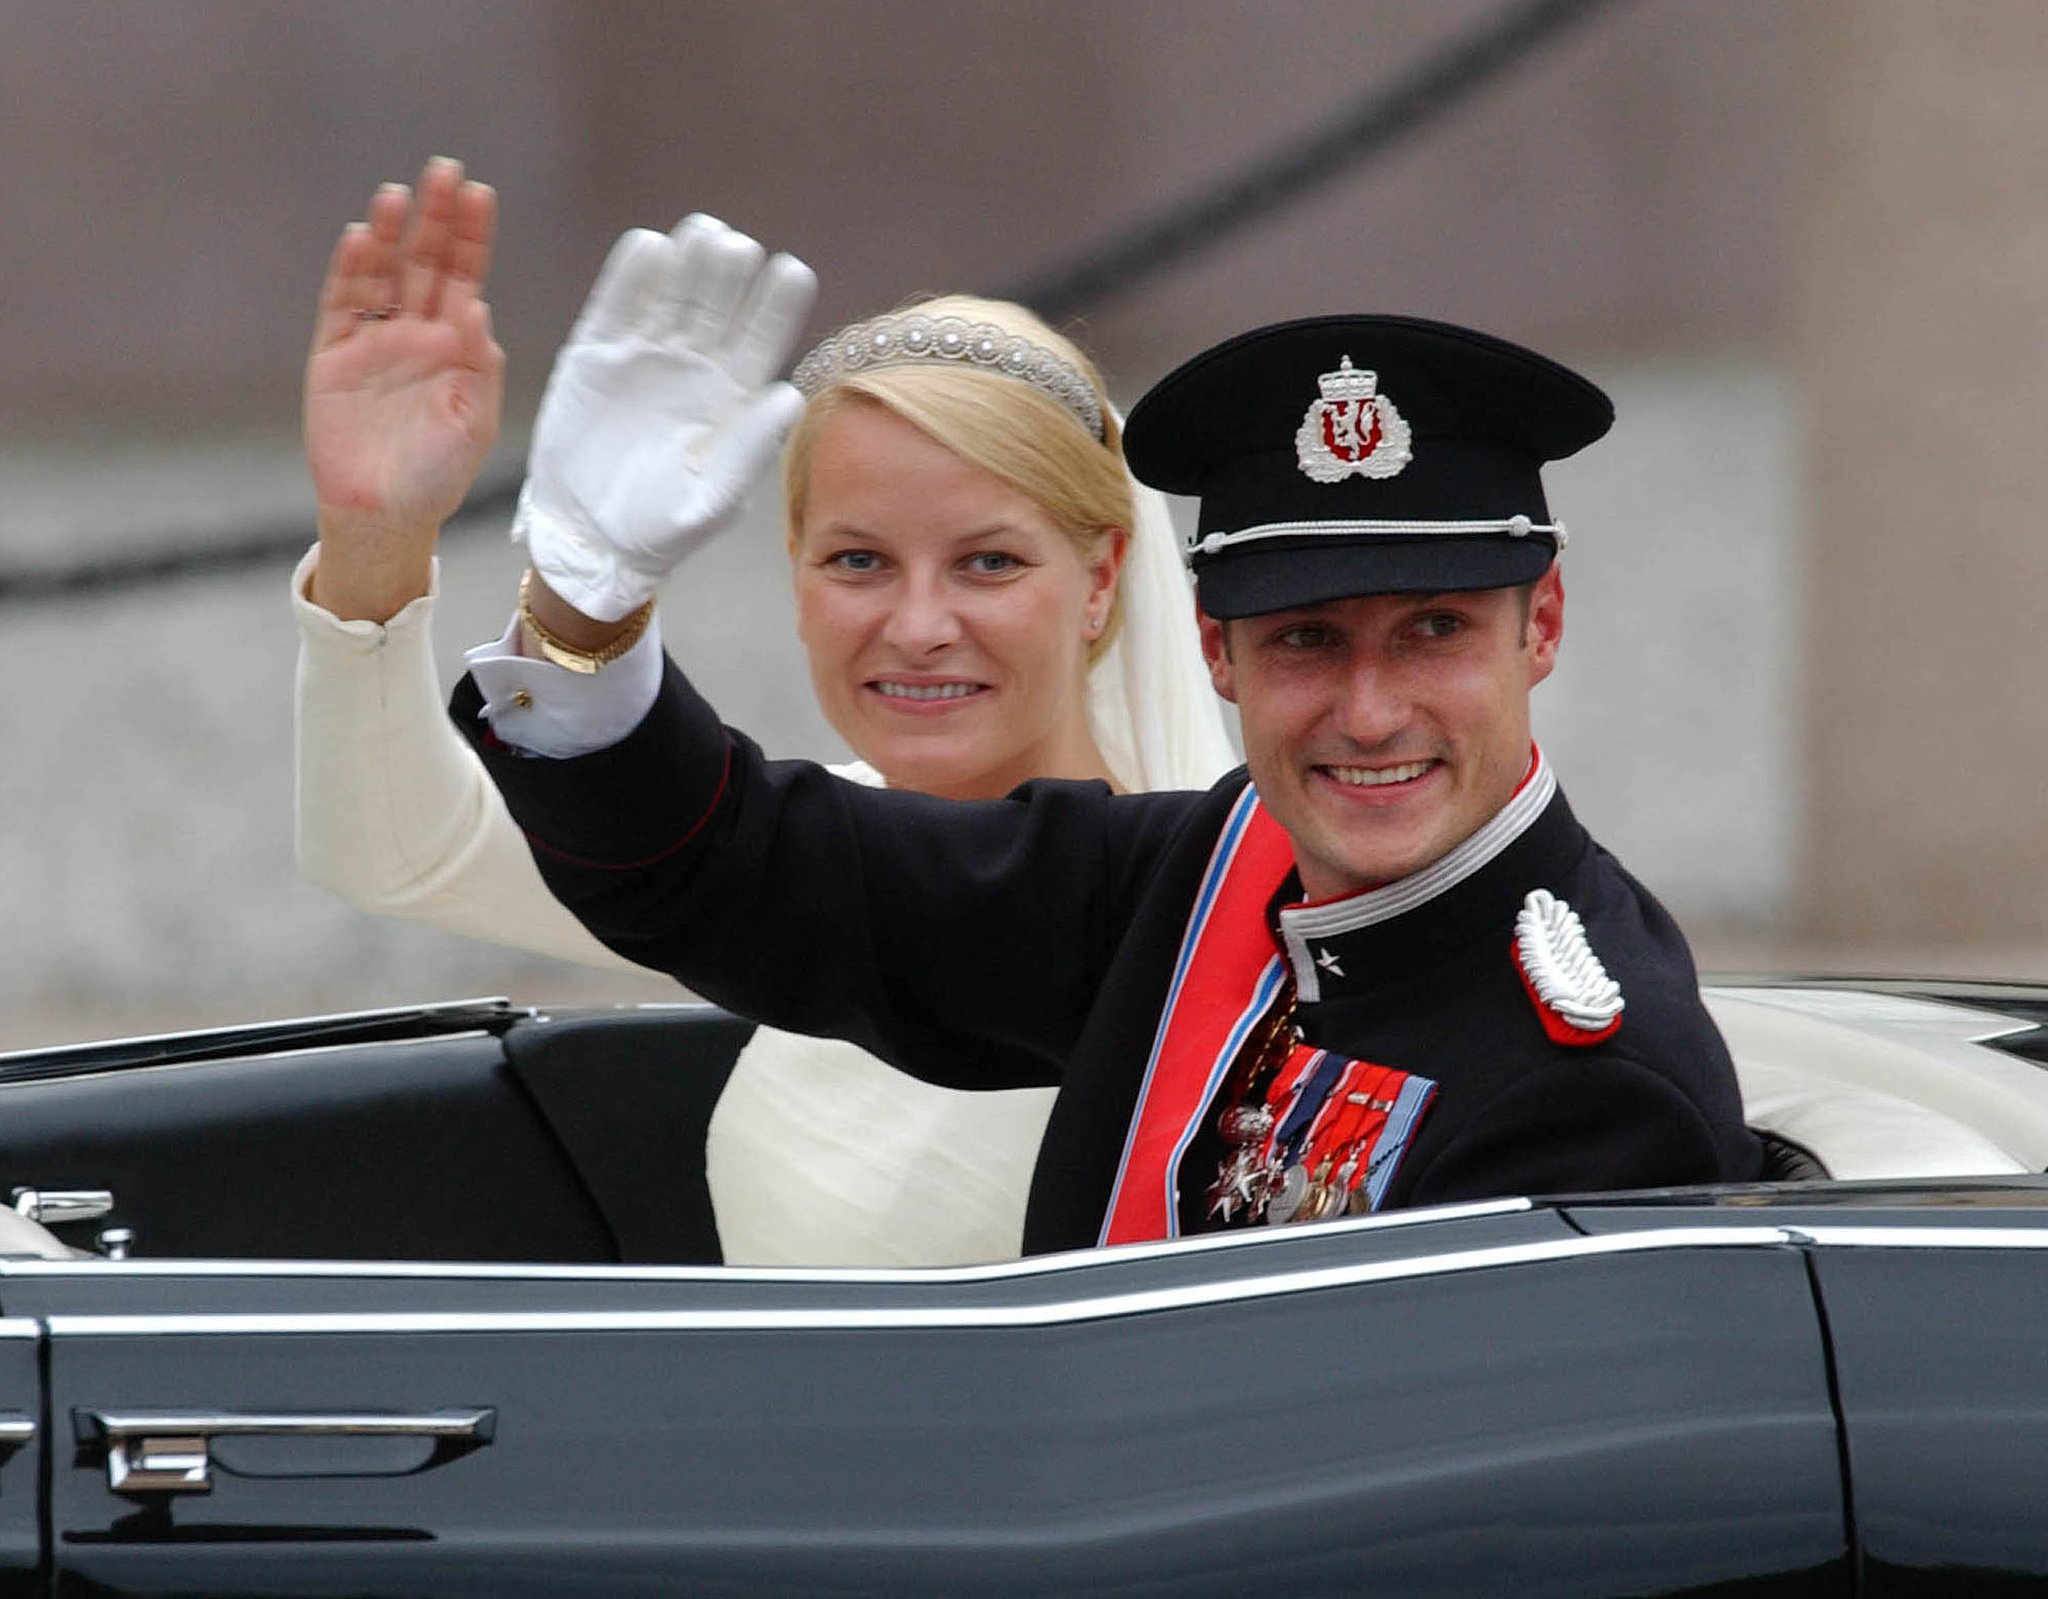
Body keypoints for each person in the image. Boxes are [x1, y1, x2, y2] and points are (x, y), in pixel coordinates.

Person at [457, 296, 1765, 1255]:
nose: (1370, 712)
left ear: (1538, 627)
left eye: (1433, 630)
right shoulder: (1199, 873)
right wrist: (586, 612)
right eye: (1307, 640)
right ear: (1220, 652)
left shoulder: (1589, 1077)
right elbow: (756, 873)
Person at [294, 159, 1235, 1265]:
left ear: (1098, 578)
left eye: (986, 562)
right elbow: (400, 851)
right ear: (793, 574)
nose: (919, 623)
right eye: (858, 561)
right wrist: (375, 534)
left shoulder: (1191, 919)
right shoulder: (778, 859)